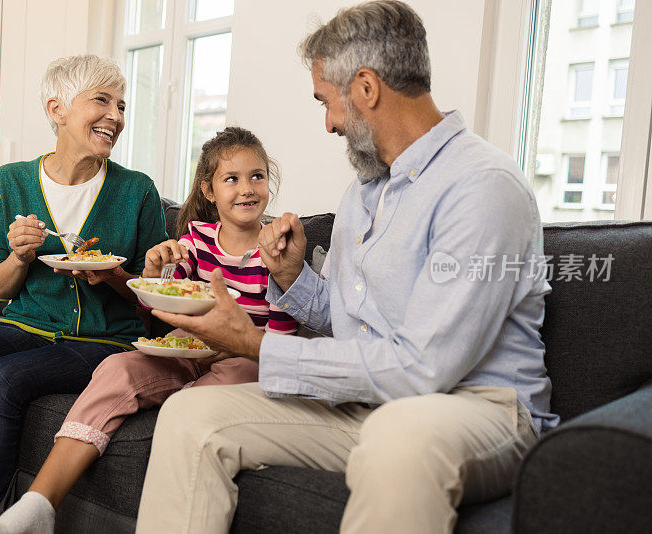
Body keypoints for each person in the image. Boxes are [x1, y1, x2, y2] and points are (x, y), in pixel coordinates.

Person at [134, 2, 560, 533]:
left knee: (401, 436)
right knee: (190, 416)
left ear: (365, 88)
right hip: (370, 402)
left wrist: (256, 344)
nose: (330, 123)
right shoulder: (364, 192)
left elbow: (422, 370)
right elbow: (352, 323)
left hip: (478, 408)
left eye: (327, 102)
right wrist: (293, 278)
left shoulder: (481, 186)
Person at [0, 126, 298, 534]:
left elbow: (283, 336)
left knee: (206, 398)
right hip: (186, 352)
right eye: (231, 178)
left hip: (242, 360)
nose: (246, 188)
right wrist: (155, 272)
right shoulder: (195, 239)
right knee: (117, 370)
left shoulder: (277, 246)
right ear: (209, 191)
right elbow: (155, 305)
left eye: (257, 176)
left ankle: (181, 409)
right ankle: (38, 506)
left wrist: (281, 284)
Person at [0, 55, 169, 534]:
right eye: (102, 101)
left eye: (122, 105)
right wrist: (19, 258)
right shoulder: (11, 181)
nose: (117, 116)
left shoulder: (138, 192)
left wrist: (112, 275)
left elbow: (153, 298)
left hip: (102, 340)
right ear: (58, 109)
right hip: (24, 324)